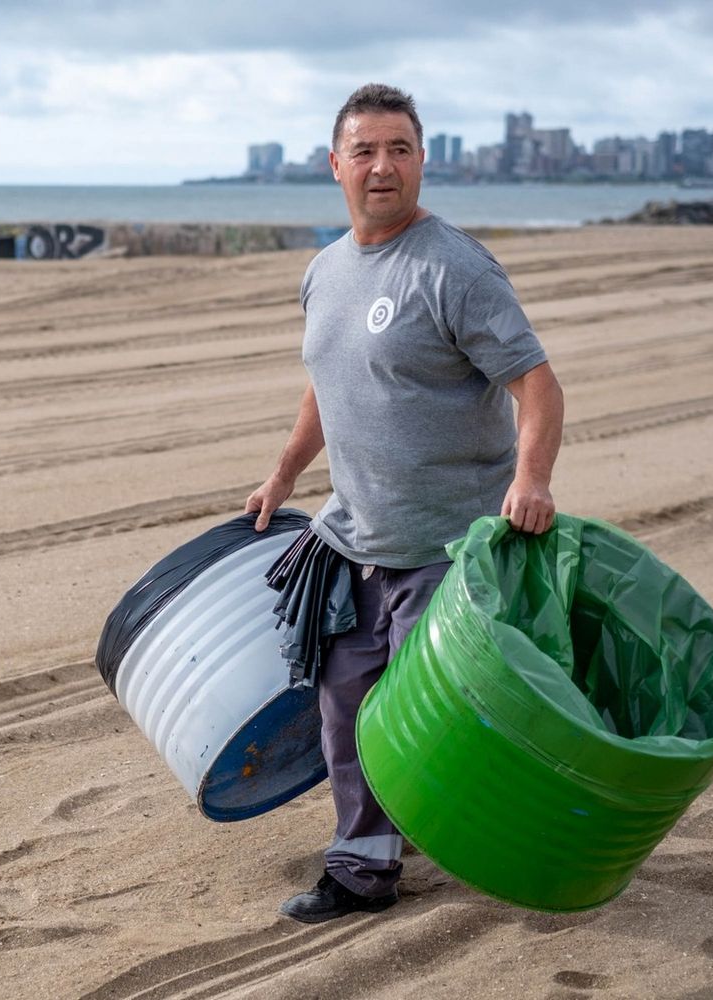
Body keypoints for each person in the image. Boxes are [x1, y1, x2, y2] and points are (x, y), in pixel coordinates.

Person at [245, 83, 564, 923]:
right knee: (344, 705)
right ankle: (363, 870)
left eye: (398, 150)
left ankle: (501, 835)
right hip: (354, 538)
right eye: (365, 151)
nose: (381, 166)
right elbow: (326, 388)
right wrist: (282, 478)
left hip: (448, 547)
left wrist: (529, 481)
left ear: (423, 161)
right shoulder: (324, 272)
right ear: (336, 165)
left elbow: (535, 384)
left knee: (440, 714)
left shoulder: (455, 267)